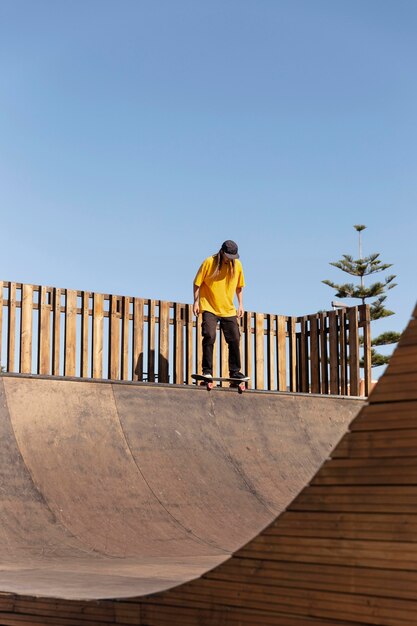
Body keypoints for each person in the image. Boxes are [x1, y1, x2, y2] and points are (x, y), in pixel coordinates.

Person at [193, 240, 246, 380]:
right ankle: (207, 371)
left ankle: (235, 372)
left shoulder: (238, 266)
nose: (230, 260)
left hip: (228, 309)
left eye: (233, 257)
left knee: (235, 338)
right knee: (209, 335)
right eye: (228, 256)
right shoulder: (209, 262)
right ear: (222, 252)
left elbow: (239, 287)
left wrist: (241, 304)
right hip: (209, 306)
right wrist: (196, 302)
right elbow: (197, 283)